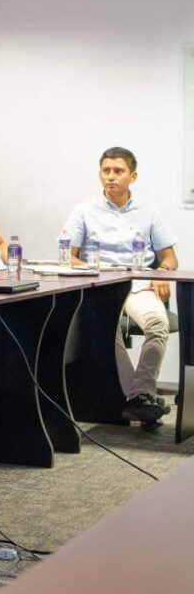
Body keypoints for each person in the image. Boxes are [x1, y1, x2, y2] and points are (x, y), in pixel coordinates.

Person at [64, 146, 179, 424]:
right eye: (106, 171)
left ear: (133, 176)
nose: (111, 177)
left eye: (118, 171)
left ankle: (139, 393)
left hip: (139, 284)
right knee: (107, 329)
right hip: (101, 286)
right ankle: (137, 398)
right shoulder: (84, 210)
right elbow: (68, 255)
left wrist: (159, 274)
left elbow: (170, 258)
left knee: (158, 324)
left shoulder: (149, 211)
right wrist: (90, 269)